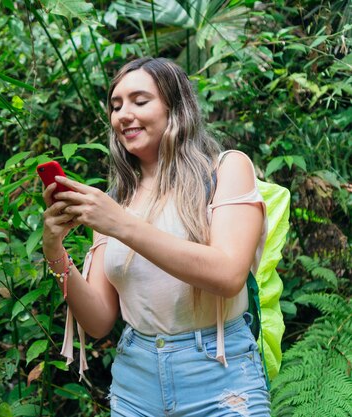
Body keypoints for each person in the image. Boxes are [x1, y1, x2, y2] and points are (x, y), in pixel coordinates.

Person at [41, 57, 271, 416]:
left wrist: (121, 224)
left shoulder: (226, 169)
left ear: (175, 106)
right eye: (116, 106)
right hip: (137, 380)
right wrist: (54, 249)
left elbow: (228, 275)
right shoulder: (117, 199)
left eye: (139, 100)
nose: (123, 114)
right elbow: (99, 320)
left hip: (220, 373)